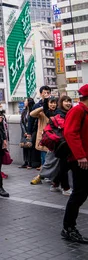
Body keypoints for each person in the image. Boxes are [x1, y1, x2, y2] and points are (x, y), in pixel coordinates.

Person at [62, 84, 88, 243]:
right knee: (79, 194)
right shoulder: (77, 110)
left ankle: (69, 227)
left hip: (85, 159)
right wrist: (80, 156)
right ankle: (68, 228)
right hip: (80, 161)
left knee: (81, 193)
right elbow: (70, 132)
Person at [30, 97, 60, 186]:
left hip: (54, 139)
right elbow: (32, 114)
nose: (53, 105)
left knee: (50, 159)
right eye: (51, 103)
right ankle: (44, 176)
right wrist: (42, 107)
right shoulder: (43, 113)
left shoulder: (58, 113)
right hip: (45, 139)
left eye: (54, 103)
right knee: (45, 159)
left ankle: (48, 176)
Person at [29, 86, 52, 167]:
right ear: (41, 94)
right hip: (41, 132)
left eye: (48, 93)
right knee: (43, 155)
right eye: (44, 93)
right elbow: (31, 117)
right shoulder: (37, 105)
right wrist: (29, 132)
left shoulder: (54, 105)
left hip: (53, 135)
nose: (46, 94)